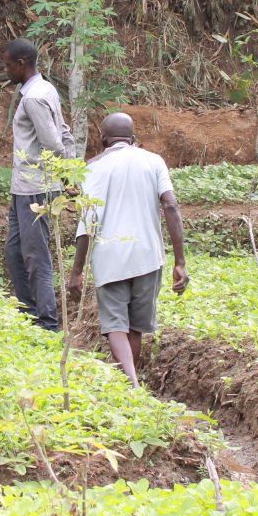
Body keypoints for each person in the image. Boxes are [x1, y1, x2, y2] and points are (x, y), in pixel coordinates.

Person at [65, 113, 189, 384]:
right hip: (148, 256)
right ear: (133, 139)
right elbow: (170, 205)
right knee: (135, 326)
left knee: (115, 326)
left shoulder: (93, 167)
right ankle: (131, 383)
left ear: (102, 139)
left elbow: (89, 220)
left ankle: (130, 384)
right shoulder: (154, 161)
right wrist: (180, 261)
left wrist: (77, 270)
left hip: (110, 258)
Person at [2, 37, 73, 331]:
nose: (5, 70)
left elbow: (54, 142)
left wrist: (65, 172)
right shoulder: (44, 89)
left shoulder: (33, 97)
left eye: (8, 65)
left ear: (21, 64)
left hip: (36, 188)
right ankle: (29, 312)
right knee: (14, 251)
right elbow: (65, 130)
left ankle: (47, 322)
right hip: (25, 186)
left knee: (35, 256)